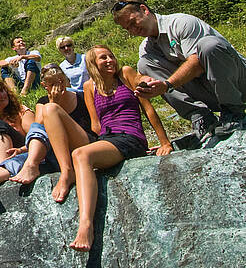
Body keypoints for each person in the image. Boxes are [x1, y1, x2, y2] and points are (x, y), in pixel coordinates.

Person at [69, 45, 173, 252]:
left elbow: (148, 109)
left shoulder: (125, 74)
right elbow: (95, 125)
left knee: (80, 154)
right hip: (110, 138)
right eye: (102, 58)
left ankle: (86, 225)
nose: (109, 60)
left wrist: (165, 143)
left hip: (130, 136)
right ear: (92, 64)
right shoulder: (90, 87)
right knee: (82, 156)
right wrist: (102, 149)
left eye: (110, 56)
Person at [111, 0, 246, 141]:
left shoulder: (181, 22)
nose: (133, 30)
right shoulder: (146, 48)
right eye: (127, 28)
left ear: (144, 10)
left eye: (133, 22)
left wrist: (167, 85)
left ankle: (233, 111)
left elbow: (197, 62)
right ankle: (201, 117)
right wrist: (145, 81)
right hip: (209, 91)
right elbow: (141, 73)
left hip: (238, 84)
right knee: (144, 64)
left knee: (209, 45)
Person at [32, 64, 97, 203]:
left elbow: (95, 125)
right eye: (53, 83)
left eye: (61, 81)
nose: (59, 86)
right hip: (58, 150)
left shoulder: (81, 96)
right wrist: (54, 102)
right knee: (50, 109)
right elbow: (38, 129)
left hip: (84, 142)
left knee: (51, 109)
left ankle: (67, 172)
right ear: (45, 85)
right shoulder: (43, 103)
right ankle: (64, 169)